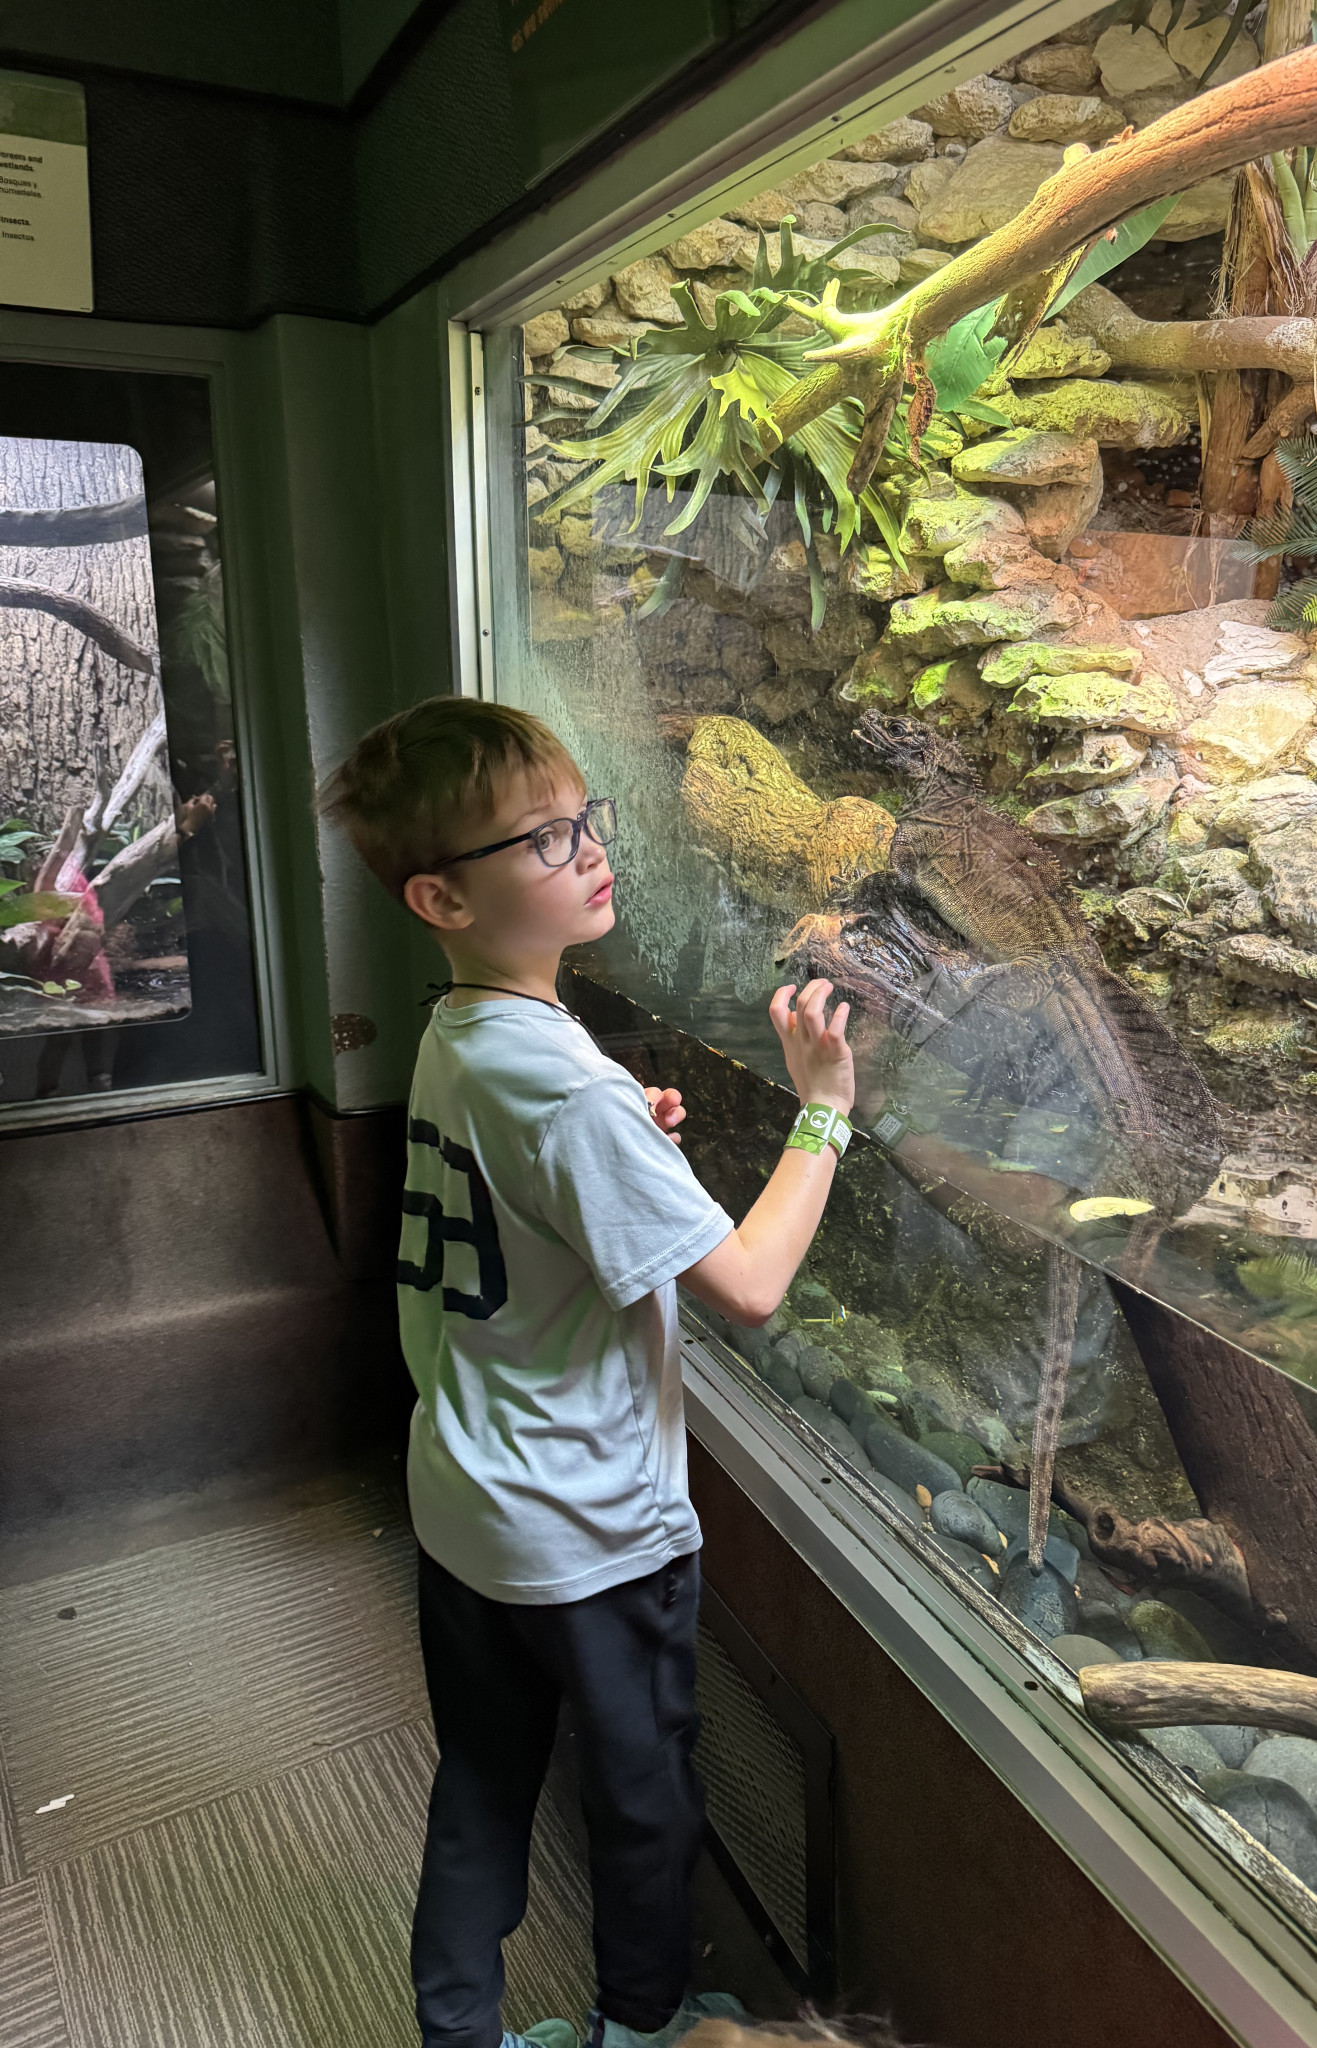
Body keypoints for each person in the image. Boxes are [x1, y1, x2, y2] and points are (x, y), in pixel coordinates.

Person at [322, 697, 857, 2048]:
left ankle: (459, 2032)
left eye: (585, 817)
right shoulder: (573, 1095)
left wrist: (627, 1141)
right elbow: (750, 1284)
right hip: (591, 1530)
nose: (591, 848)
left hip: (466, 1503)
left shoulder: (463, 1035)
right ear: (442, 896)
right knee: (644, 1803)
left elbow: (533, 1191)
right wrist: (825, 1112)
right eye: (545, 836)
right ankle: (642, 2027)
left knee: (482, 1787)